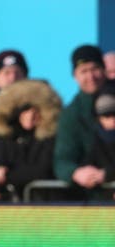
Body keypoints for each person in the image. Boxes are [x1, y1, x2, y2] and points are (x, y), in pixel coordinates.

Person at [0, 79, 62, 201]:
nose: (31, 115)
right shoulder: (5, 139)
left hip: (46, 205)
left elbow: (43, 170)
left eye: (36, 109)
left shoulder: (51, 138)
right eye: (26, 110)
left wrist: (7, 175)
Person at [53, 44, 107, 198]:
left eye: (95, 68)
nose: (91, 77)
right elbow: (62, 159)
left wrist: (108, 174)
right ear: (75, 76)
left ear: (104, 70)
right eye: (84, 71)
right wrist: (76, 173)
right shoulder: (71, 114)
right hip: (90, 203)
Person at [81, 79, 115, 200]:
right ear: (99, 118)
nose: (112, 120)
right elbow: (89, 160)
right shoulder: (97, 139)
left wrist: (106, 175)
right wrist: (88, 174)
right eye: (107, 116)